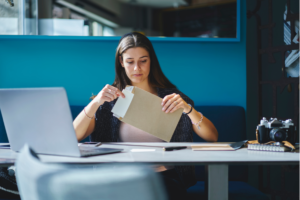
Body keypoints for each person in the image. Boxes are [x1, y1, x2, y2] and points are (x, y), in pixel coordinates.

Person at [73, 32, 218, 200]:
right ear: (121, 62)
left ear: (151, 61)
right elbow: (75, 135)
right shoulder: (108, 101)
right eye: (130, 62)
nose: (137, 68)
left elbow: (212, 136)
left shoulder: (172, 99)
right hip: (119, 176)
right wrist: (95, 102)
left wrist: (188, 109)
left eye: (143, 61)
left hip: (163, 177)